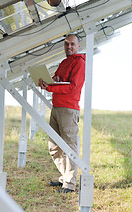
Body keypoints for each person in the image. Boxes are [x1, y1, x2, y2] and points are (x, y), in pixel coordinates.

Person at [38, 34, 85, 193]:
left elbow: (72, 87)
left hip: (68, 110)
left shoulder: (80, 63)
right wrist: (47, 82)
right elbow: (56, 79)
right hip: (56, 107)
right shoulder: (64, 62)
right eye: (66, 44)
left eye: (72, 44)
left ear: (78, 46)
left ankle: (69, 184)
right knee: (54, 147)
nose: (69, 47)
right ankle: (65, 177)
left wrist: (50, 87)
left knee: (70, 147)